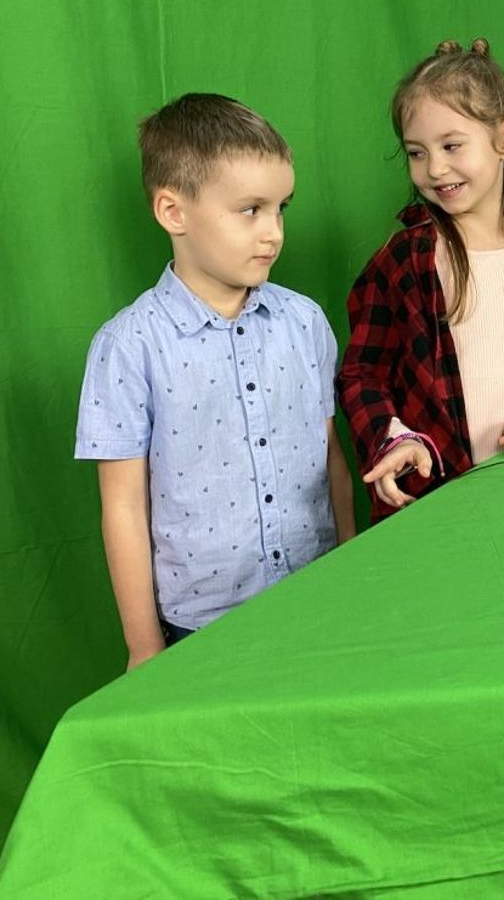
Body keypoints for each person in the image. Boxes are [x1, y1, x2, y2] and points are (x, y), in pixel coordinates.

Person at [76, 94, 354, 670]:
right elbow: (123, 507)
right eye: (250, 210)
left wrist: (352, 568)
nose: (273, 233)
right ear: (173, 212)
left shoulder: (305, 322)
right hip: (202, 627)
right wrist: (144, 647)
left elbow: (329, 457)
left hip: (320, 599)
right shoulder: (129, 346)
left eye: (280, 209)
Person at [339, 39, 504, 516]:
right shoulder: (406, 259)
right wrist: (394, 438)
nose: (434, 168)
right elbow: (361, 372)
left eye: (452, 145)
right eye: (416, 153)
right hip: (431, 500)